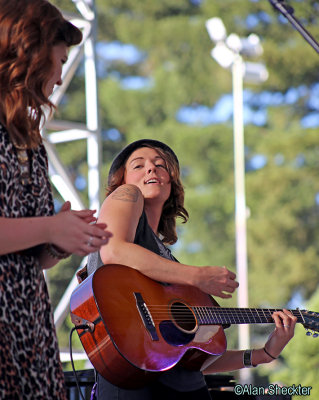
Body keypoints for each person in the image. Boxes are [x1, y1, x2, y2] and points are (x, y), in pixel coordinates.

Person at [87, 139, 297, 399]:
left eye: (160, 165)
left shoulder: (170, 267)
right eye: (138, 165)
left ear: (171, 183)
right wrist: (198, 277)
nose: (151, 169)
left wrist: (264, 354)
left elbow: (193, 358)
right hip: (131, 381)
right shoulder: (126, 193)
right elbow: (114, 250)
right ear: (122, 181)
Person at [0, 1, 112, 399]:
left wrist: (60, 241)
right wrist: (50, 226)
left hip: (29, 332)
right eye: (59, 60)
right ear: (30, 50)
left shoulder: (31, 142)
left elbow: (36, 256)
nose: (61, 76)